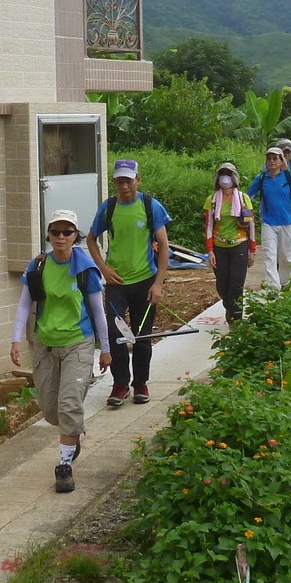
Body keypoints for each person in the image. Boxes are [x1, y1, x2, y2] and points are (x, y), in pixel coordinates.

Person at [12, 210, 112, 493]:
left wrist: (106, 349)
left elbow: (98, 311)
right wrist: (16, 340)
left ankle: (64, 466)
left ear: (75, 236)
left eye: (67, 232)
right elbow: (24, 304)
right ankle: (72, 434)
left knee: (69, 405)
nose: (60, 237)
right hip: (45, 343)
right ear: (48, 235)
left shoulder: (85, 268)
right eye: (55, 232)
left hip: (78, 342)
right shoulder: (39, 266)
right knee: (50, 408)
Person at [87, 159, 172, 408]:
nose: (124, 186)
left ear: (137, 180)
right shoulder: (109, 207)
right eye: (119, 181)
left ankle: (140, 384)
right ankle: (120, 384)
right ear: (114, 182)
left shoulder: (150, 206)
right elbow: (91, 239)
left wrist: (158, 283)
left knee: (142, 335)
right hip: (117, 283)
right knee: (116, 334)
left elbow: (164, 245)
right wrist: (103, 268)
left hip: (145, 281)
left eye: (128, 180)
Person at [203, 163, 255, 323]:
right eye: (222, 174)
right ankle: (229, 307)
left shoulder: (243, 199)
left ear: (234, 178)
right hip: (219, 246)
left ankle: (236, 319)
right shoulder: (212, 200)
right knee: (222, 285)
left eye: (228, 174)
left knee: (236, 284)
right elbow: (209, 226)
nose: (225, 178)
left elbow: (251, 225)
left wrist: (252, 250)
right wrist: (210, 251)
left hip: (240, 244)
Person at [247, 145, 291, 288]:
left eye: (275, 158)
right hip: (268, 223)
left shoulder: (289, 177)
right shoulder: (261, 178)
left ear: (281, 161)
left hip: (287, 222)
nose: (272, 161)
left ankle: (284, 282)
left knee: (286, 256)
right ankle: (273, 288)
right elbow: (248, 197)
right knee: (270, 255)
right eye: (269, 158)